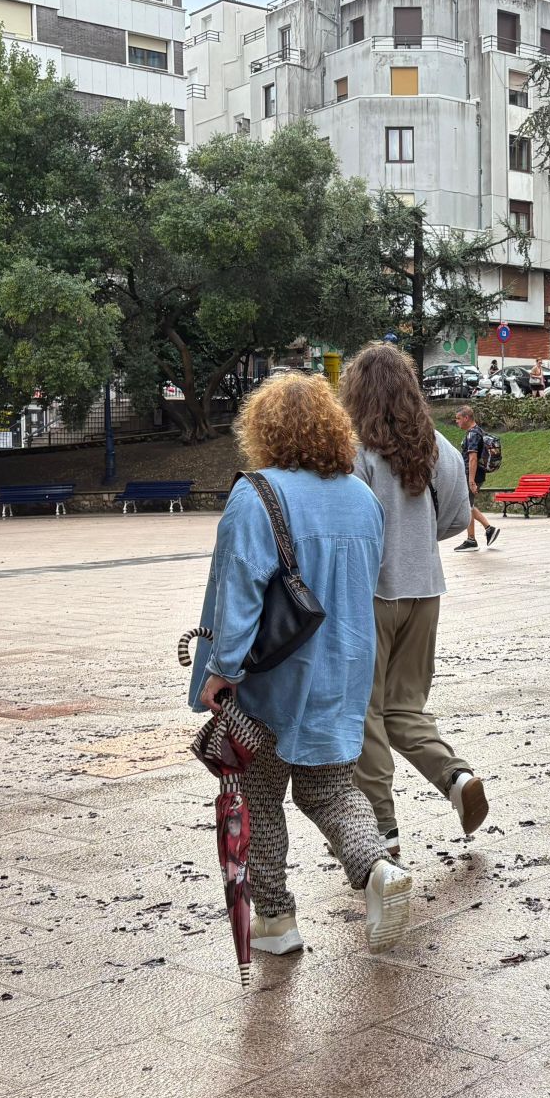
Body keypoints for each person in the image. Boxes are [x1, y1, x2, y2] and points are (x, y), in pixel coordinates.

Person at [188, 372, 411, 956]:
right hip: (345, 667)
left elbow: (240, 592)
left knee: (258, 796)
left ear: (260, 429)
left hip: (274, 675)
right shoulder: (362, 497)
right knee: (331, 789)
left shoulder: (256, 494)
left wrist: (222, 669)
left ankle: (277, 922)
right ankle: (376, 869)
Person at [340, 344, 491, 855]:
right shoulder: (439, 447)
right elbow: (457, 517)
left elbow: (347, 528)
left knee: (366, 712)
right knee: (405, 706)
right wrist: (418, 538)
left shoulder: (354, 450)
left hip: (370, 595)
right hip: (426, 591)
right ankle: (456, 777)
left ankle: (382, 831)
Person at [452, 404, 500, 551]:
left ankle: (487, 530)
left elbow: (472, 458)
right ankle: (472, 538)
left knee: (467, 505)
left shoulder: (472, 434)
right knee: (467, 505)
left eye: (458, 418)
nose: (457, 421)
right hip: (475, 474)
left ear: (467, 418)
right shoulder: (478, 431)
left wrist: (471, 480)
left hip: (471, 475)